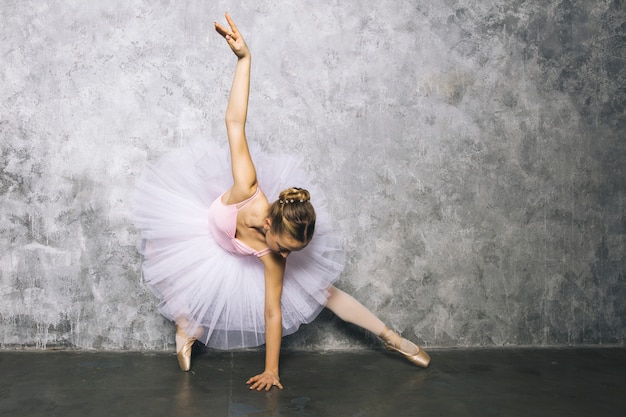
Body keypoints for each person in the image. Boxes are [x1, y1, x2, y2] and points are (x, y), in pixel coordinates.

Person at [132, 13, 430, 392]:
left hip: (241, 252)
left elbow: (272, 313)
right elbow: (235, 123)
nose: (286, 257)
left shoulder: (275, 256)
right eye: (286, 249)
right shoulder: (247, 187)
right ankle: (186, 325)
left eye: (293, 252)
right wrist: (245, 60)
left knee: (323, 292)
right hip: (209, 232)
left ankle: (391, 336)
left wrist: (271, 370)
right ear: (270, 225)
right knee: (160, 247)